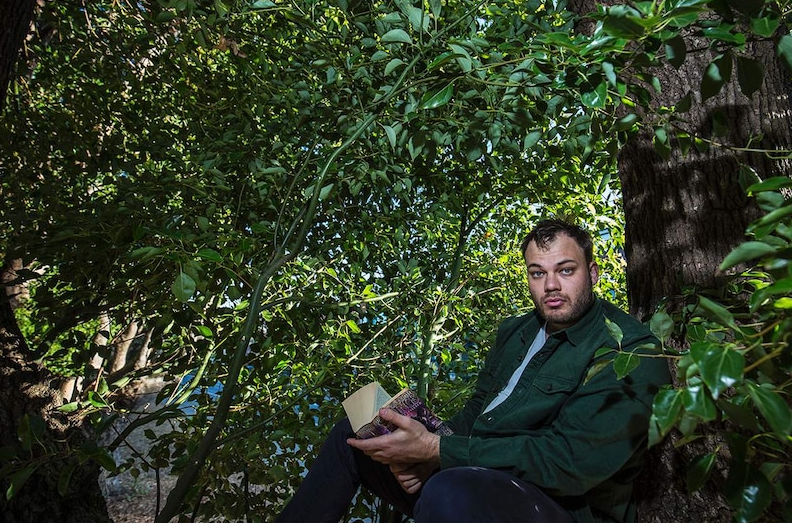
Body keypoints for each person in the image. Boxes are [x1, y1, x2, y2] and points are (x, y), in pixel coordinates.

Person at [275, 219, 671, 523]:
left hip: (562, 507)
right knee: (355, 432)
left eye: (566, 270)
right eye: (537, 273)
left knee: (450, 489)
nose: (551, 285)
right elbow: (475, 416)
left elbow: (568, 463)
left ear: (593, 273)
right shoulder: (516, 331)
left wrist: (438, 453)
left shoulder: (629, 351)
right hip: (472, 472)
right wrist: (418, 450)